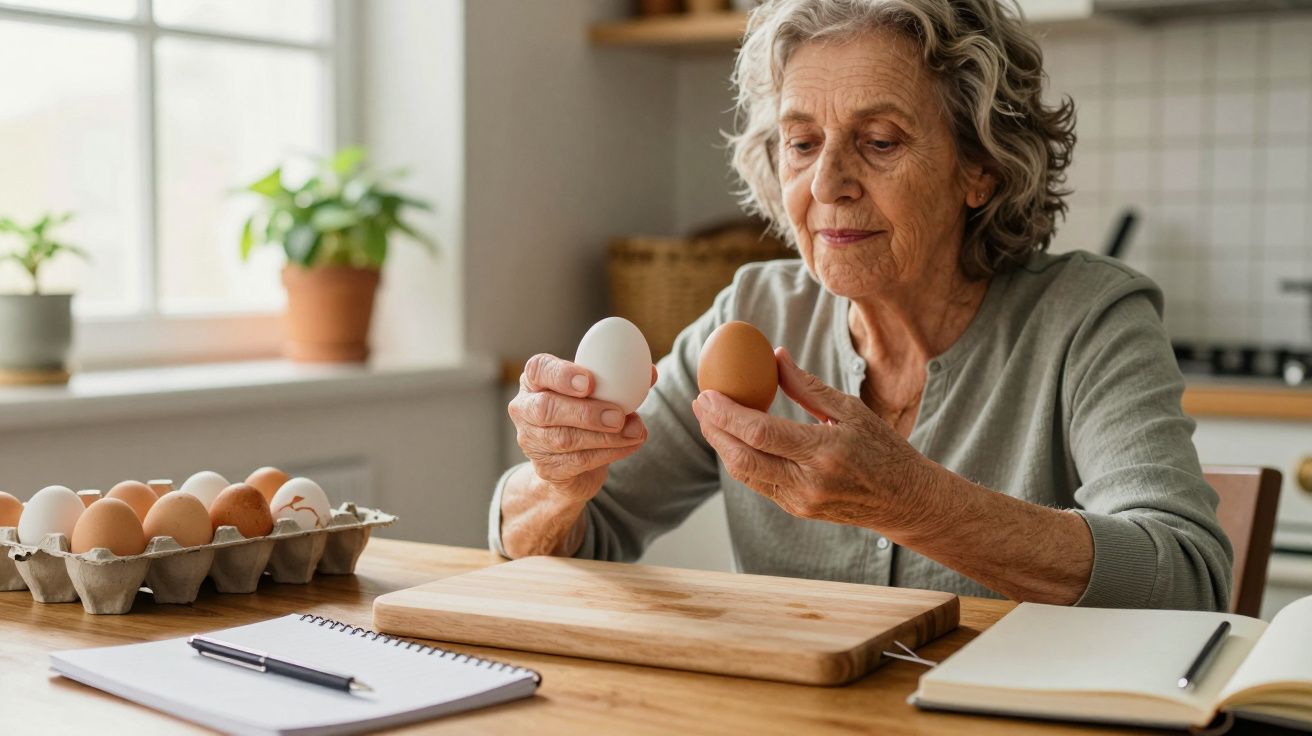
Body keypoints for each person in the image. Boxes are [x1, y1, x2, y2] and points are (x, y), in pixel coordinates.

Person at [490, 0, 1232, 610]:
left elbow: (1190, 583)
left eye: (879, 141)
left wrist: (913, 501)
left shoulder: (1090, 318)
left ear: (980, 166)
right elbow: (560, 538)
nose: (829, 183)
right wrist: (557, 481)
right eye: (802, 143)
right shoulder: (754, 310)